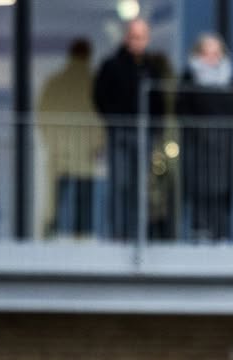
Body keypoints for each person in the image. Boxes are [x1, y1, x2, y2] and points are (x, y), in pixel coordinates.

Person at [177, 34, 233, 243]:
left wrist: (229, 133)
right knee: (201, 192)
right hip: (199, 149)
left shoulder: (230, 79)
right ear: (199, 54)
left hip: (225, 150)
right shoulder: (189, 78)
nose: (212, 57)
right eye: (207, 53)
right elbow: (182, 111)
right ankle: (201, 233)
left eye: (216, 53)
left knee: (223, 194)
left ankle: (222, 234)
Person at [93, 20, 154, 242]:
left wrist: (154, 131)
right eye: (134, 37)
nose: (137, 42)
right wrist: (113, 120)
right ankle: (118, 234)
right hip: (119, 133)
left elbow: (158, 103)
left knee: (139, 188)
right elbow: (100, 97)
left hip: (143, 134)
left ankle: (138, 235)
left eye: (142, 37)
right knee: (119, 184)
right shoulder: (111, 65)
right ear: (126, 38)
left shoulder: (150, 68)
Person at [38, 40, 102, 238]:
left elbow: (42, 114)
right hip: (85, 152)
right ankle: (81, 236)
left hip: (62, 151)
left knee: (57, 198)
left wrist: (52, 141)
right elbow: (103, 117)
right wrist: (99, 144)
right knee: (83, 198)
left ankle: (52, 231)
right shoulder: (94, 83)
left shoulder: (55, 83)